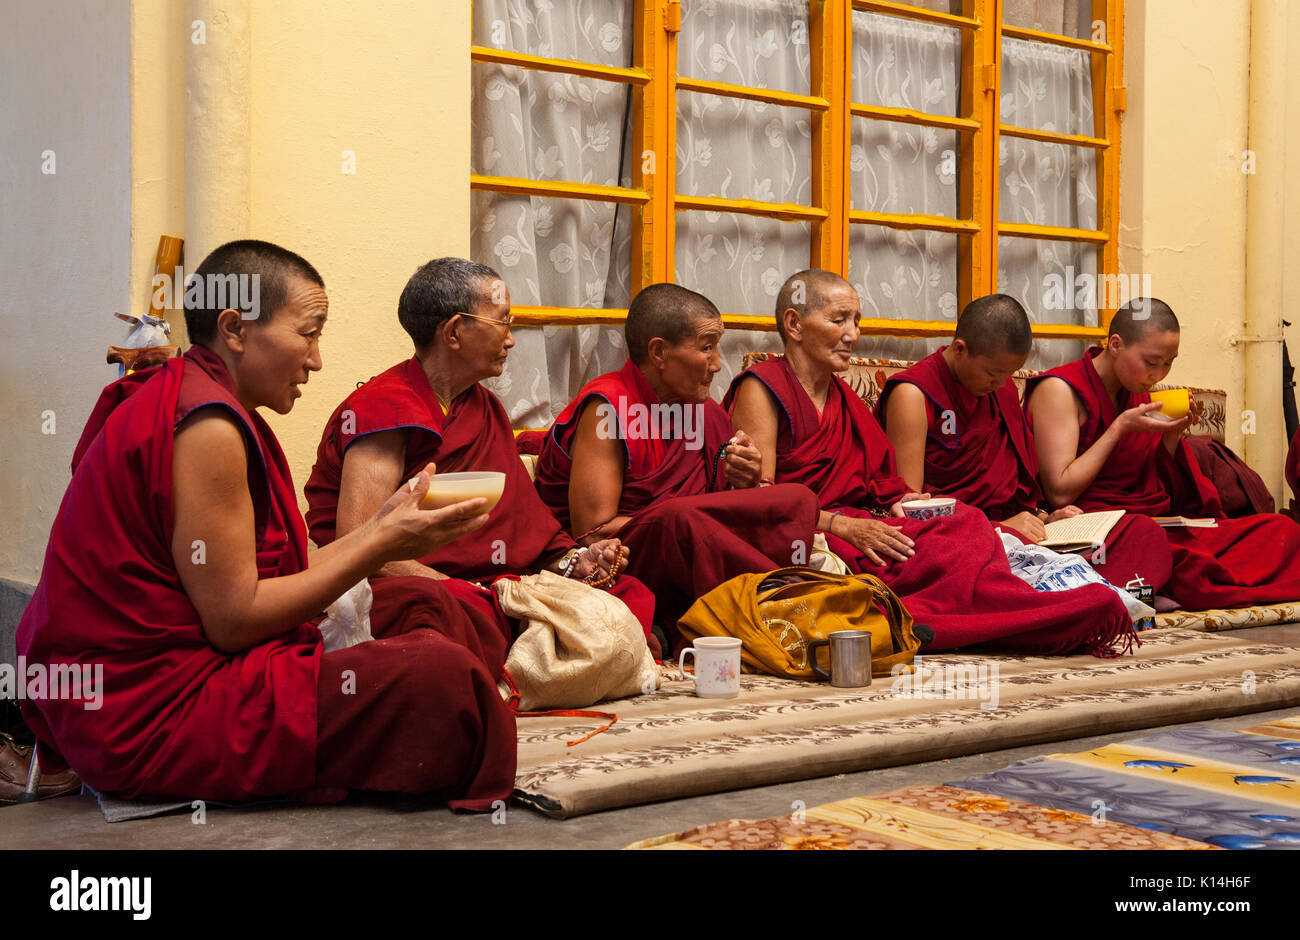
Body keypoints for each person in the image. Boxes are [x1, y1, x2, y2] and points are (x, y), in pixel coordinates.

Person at [16, 240, 515, 809]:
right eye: (309, 332)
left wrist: (381, 527)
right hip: (149, 708)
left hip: (191, 658)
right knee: (437, 677)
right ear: (234, 329)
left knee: (428, 605)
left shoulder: (207, 402)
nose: (317, 359)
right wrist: (382, 540)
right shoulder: (206, 428)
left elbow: (284, 569)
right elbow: (234, 622)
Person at [724, 269, 1132, 655]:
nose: (853, 334)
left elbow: (882, 483)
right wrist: (846, 525)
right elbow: (763, 502)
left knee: (963, 524)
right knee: (954, 542)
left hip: (863, 522)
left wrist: (908, 502)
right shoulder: (764, 387)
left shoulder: (841, 397)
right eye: (839, 320)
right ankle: (1022, 618)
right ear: (794, 325)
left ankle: (1024, 613)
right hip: (817, 533)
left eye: (857, 321)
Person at [303, 257, 655, 657]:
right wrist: (465, 588)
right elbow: (362, 547)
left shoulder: (484, 407)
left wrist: (575, 561)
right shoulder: (384, 409)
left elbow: (527, 529)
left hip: (492, 583)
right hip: (412, 586)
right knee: (448, 610)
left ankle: (525, 644)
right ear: (454, 332)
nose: (511, 339)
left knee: (627, 592)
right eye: (502, 322)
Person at [534, 283, 820, 638]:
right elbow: (592, 532)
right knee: (680, 518)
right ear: (658, 353)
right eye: (706, 348)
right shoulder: (608, 409)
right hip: (623, 558)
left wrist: (743, 481)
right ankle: (783, 607)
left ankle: (717, 614)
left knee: (796, 497)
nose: (717, 364)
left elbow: (718, 503)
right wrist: (695, 520)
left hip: (688, 545)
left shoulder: (704, 413)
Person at [876, 293, 1173, 596]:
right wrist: (1000, 527)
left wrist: (1044, 517)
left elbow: (1017, 488)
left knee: (1141, 535)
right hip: (957, 543)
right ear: (960, 349)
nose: (1001, 383)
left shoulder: (1000, 389)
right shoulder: (913, 395)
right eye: (993, 373)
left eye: (1009, 374)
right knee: (1057, 586)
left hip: (1012, 536)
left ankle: (1091, 597)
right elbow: (912, 513)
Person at [1025, 297, 1300, 609]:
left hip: (1151, 523)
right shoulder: (1060, 390)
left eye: (1169, 363)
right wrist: (1119, 428)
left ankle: (1157, 587)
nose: (1159, 375)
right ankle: (1157, 586)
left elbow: (1153, 481)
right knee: (1158, 543)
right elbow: (1059, 491)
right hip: (1098, 531)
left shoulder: (1135, 392)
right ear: (1115, 345)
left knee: (1281, 530)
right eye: (1152, 362)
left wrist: (1170, 436)